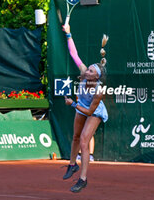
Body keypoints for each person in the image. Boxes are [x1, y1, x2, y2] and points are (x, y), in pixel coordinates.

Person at [62, 24, 108, 193]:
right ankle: (72, 165)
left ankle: (82, 179)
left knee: (83, 140)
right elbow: (74, 54)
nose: (86, 70)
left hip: (93, 111)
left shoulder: (99, 91)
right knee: (75, 136)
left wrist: (73, 104)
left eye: (90, 71)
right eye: (87, 69)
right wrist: (68, 34)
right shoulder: (83, 74)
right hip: (81, 106)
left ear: (97, 77)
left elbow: (89, 112)